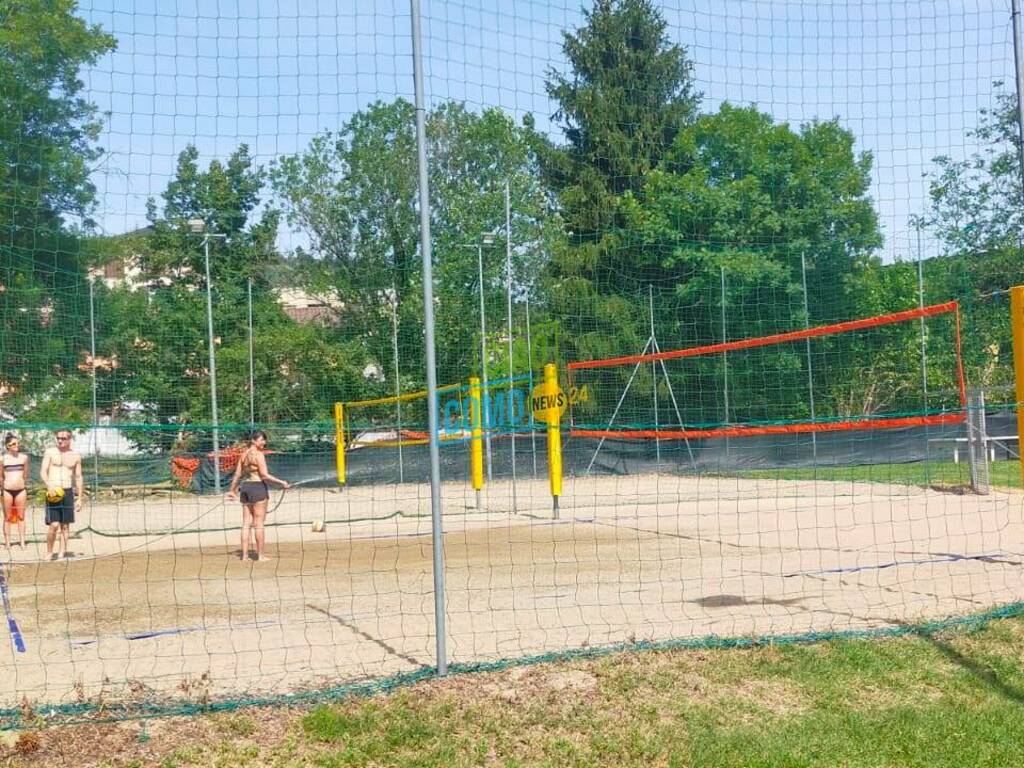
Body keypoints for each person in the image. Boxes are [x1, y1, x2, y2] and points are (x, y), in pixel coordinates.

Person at [226, 431, 289, 562]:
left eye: (264, 440)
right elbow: (264, 475)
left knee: (245, 524)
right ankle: (260, 556)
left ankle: (244, 556)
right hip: (258, 488)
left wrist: (232, 490)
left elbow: (237, 475)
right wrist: (282, 483)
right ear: (254, 440)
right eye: (261, 440)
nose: (264, 442)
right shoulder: (259, 455)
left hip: (246, 488)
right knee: (258, 524)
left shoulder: (243, 455)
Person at [40, 429, 83, 561]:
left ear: (69, 439)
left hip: (67, 491)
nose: (60, 440)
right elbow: (43, 471)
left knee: (65, 525)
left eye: (63, 438)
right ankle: (49, 552)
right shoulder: (50, 452)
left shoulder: (75, 455)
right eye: (58, 438)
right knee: (54, 524)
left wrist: (80, 497)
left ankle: (62, 553)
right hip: (53, 492)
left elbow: (79, 476)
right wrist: (49, 486)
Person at [1, 433, 29, 551]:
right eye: (13, 444)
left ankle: (22, 541)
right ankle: (8, 543)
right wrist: (4, 488)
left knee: (21, 516)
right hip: (7, 491)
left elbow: (26, 473)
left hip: (21, 490)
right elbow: (1, 476)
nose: (16, 445)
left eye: (17, 443)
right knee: (7, 517)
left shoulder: (24, 457)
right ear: (8, 446)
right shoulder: (2, 459)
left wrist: (21, 482)